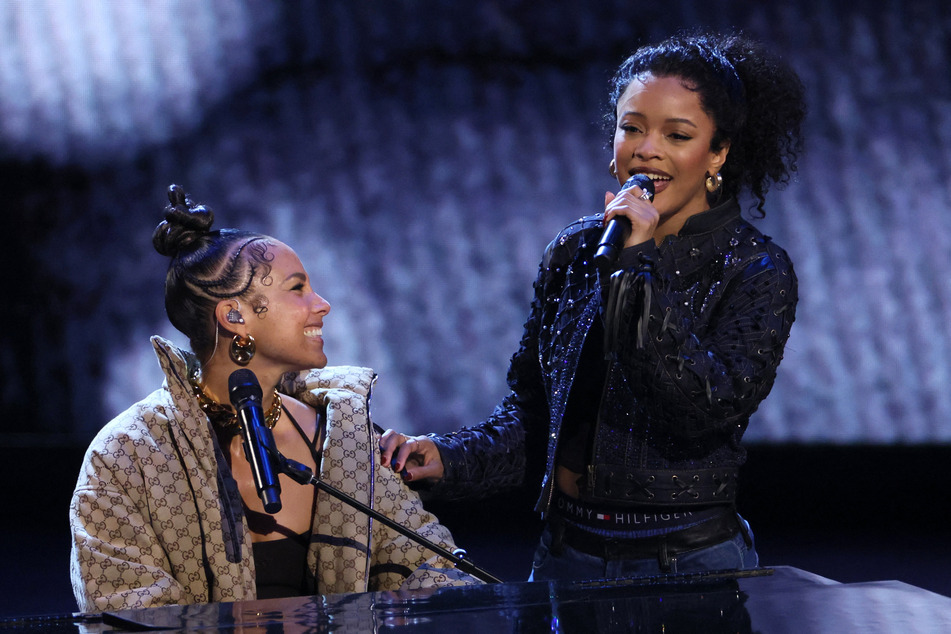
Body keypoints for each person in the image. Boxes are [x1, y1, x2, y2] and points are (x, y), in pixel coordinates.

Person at [381, 30, 805, 581]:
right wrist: (446, 457)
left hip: (686, 564)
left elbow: (699, 413)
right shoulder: (578, 250)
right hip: (566, 553)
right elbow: (535, 418)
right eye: (631, 128)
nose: (645, 148)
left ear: (717, 154)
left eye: (677, 134)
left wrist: (637, 267)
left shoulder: (755, 268)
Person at [69, 185, 478, 613]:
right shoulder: (125, 456)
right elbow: (121, 611)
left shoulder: (345, 440)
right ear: (234, 316)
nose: (322, 305)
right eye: (297, 288)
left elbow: (440, 572)